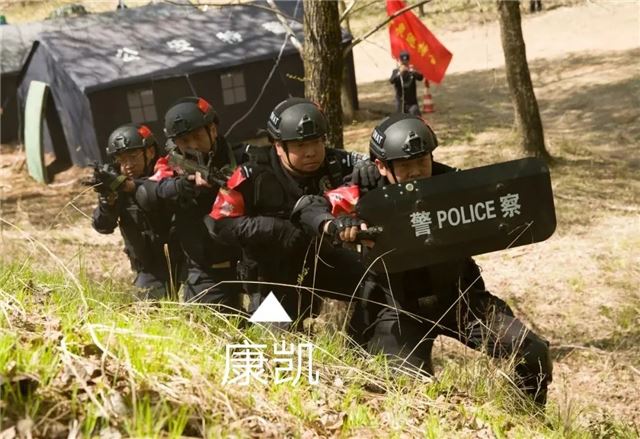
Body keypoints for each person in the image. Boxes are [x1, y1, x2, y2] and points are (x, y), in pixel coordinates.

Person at [305, 114, 553, 405]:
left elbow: (504, 196)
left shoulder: (452, 184)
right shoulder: (364, 192)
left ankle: (527, 415)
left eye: (422, 161)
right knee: (407, 390)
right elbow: (310, 207)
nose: (415, 172)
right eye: (404, 165)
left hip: (460, 300)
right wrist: (337, 224)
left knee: (533, 353)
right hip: (399, 310)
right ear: (382, 166)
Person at [208, 97, 381, 321]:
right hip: (272, 275)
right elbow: (218, 224)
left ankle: (359, 338)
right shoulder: (252, 175)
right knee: (275, 338)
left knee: (378, 288)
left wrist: (371, 167)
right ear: (279, 146)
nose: (311, 152)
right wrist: (273, 229)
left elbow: (381, 164)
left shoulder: (337, 163)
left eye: (316, 142)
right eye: (300, 145)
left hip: (325, 260)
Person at [155, 96, 242, 306]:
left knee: (274, 323)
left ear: (212, 130)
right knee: (210, 324)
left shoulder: (242, 158)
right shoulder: (170, 167)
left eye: (197, 136)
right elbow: (148, 191)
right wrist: (181, 186)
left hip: (252, 266)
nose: (193, 145)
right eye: (184, 141)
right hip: (207, 272)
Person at [91, 123, 183, 299]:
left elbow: (159, 192)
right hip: (151, 269)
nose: (128, 165)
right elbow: (103, 226)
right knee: (147, 310)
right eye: (121, 160)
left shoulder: (169, 171)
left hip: (186, 261)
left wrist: (131, 187)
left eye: (133, 157)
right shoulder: (117, 183)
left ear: (150, 152)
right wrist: (107, 203)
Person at [389, 51, 424, 116]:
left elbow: (420, 77)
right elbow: (391, 81)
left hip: (412, 102)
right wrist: (400, 73)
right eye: (403, 62)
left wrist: (413, 71)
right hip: (400, 102)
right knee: (400, 118)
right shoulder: (396, 71)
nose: (405, 64)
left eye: (406, 62)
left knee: (416, 115)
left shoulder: (412, 71)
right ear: (400, 61)